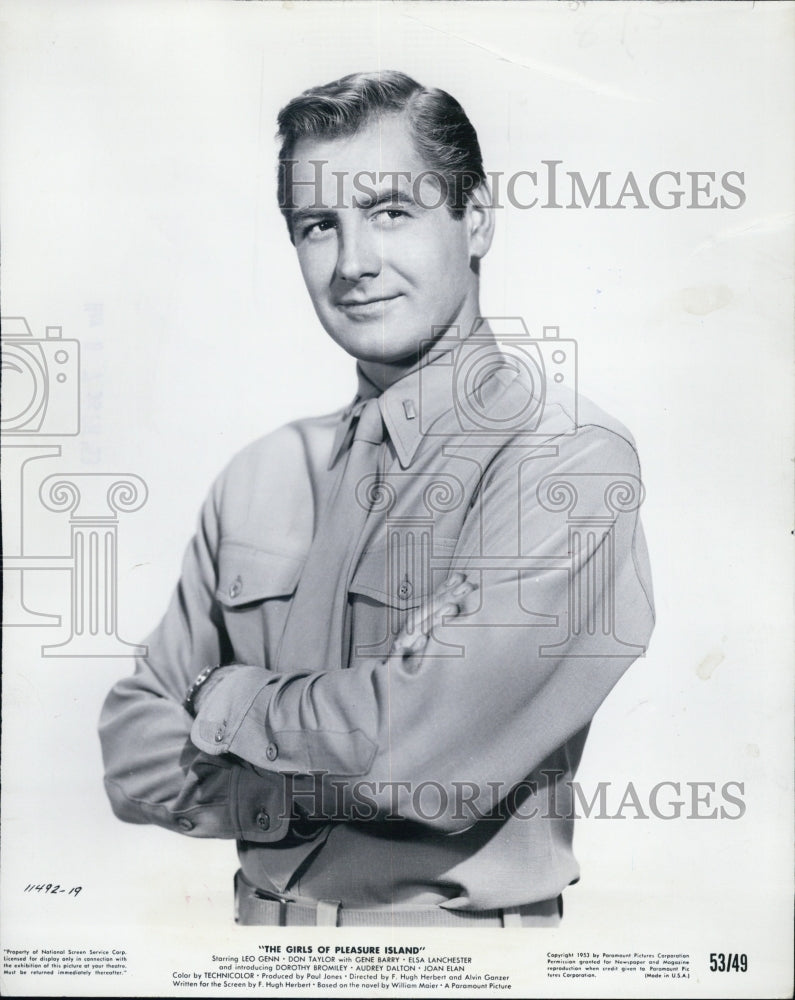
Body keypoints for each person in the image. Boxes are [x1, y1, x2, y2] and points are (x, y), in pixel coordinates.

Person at [99, 70, 655, 928]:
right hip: (251, 962)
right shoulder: (261, 473)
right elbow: (132, 750)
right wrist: (298, 785)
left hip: (460, 969)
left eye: (390, 210)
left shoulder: (565, 461)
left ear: (475, 220)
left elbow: (422, 758)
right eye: (319, 226)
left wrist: (222, 697)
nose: (353, 263)